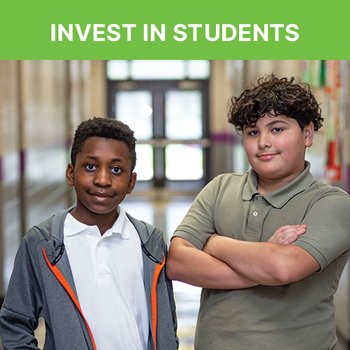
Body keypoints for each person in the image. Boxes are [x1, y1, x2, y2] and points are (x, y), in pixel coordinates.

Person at [167, 74, 350, 350]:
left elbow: (283, 267)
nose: (263, 142)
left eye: (277, 129)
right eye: (253, 132)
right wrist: (264, 255)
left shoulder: (331, 203)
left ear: (308, 134)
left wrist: (214, 243)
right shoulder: (219, 188)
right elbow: (177, 262)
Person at [0, 117, 178, 350]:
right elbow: (16, 324)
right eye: (91, 166)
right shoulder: (43, 244)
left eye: (116, 169)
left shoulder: (150, 243)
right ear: (71, 173)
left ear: (131, 182)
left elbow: (167, 323)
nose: (102, 180)